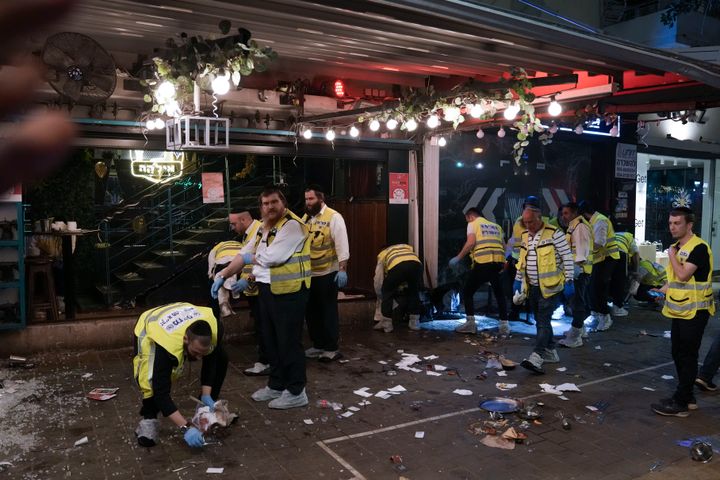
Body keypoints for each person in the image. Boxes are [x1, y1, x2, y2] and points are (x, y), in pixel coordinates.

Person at [212, 187, 311, 409]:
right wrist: (222, 275)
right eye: (265, 204)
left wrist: (249, 259)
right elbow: (244, 252)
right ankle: (276, 384)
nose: (269, 207)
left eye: (273, 202)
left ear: (283, 203)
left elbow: (273, 257)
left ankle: (296, 391)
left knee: (288, 342)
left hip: (290, 292)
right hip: (267, 290)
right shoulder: (264, 228)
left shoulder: (292, 226)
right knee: (271, 340)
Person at [133, 302, 227, 448]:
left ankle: (206, 410)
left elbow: (211, 361)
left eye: (202, 353)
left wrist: (206, 394)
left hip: (181, 315)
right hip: (151, 327)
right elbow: (160, 392)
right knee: (150, 379)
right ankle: (149, 419)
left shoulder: (216, 329)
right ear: (185, 339)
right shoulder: (165, 348)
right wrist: (185, 427)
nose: (199, 358)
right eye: (195, 352)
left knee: (222, 358)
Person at [650, 207, 714, 417]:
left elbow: (684, 275)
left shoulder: (699, 248)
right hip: (680, 310)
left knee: (687, 355)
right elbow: (675, 280)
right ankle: (688, 397)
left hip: (696, 311)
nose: (672, 227)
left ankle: (681, 401)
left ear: (689, 225)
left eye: (677, 223)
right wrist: (662, 290)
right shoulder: (677, 247)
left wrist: (671, 255)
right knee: (678, 353)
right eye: (670, 223)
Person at [514, 205, 574, 374]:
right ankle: (551, 352)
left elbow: (567, 257)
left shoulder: (554, 233)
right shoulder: (525, 235)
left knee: (542, 321)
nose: (528, 226)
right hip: (532, 287)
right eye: (525, 223)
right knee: (542, 321)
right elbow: (522, 259)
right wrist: (517, 280)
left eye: (531, 222)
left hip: (550, 287)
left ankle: (537, 356)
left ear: (539, 218)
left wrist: (569, 280)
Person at [302, 185, 350, 362]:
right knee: (311, 311)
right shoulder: (307, 218)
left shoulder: (334, 217)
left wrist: (342, 269)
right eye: (306, 199)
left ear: (321, 199)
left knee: (327, 311)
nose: (308, 202)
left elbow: (342, 244)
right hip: (309, 273)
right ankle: (318, 345)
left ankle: (331, 348)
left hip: (328, 273)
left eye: (311, 199)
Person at [449, 207, 508, 335]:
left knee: (468, 291)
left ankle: (470, 324)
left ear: (470, 217)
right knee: (499, 293)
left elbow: (471, 243)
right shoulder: (496, 226)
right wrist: (504, 263)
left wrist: (458, 258)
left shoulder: (473, 224)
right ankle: (504, 326)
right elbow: (505, 246)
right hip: (498, 263)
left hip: (483, 262)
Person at [505, 196, 559, 323]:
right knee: (526, 288)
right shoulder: (544, 220)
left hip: (525, 260)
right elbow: (514, 240)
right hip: (525, 259)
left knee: (525, 288)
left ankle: (520, 312)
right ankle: (526, 311)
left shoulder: (522, 220)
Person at [579, 201, 620, 331]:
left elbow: (599, 243)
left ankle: (605, 316)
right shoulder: (594, 221)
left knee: (598, 288)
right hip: (599, 259)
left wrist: (584, 250)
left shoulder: (600, 221)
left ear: (585, 214)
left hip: (607, 258)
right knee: (592, 288)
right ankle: (596, 313)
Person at [558, 202, 593, 348]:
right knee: (577, 302)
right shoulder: (574, 226)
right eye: (563, 213)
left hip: (579, 271)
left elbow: (581, 251)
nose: (563, 216)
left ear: (574, 213)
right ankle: (580, 328)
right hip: (576, 270)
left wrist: (574, 272)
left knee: (577, 303)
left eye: (566, 213)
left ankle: (576, 336)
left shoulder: (579, 227)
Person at [373, 244, 423, 333]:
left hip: (398, 266)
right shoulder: (405, 247)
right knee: (414, 292)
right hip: (417, 265)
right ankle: (414, 322)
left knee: (387, 292)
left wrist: (380, 292)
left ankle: (386, 324)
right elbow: (407, 269)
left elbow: (378, 278)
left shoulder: (383, 254)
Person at [609, 231, 639, 316]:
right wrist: (636, 270)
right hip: (620, 253)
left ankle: (602, 307)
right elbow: (636, 254)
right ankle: (617, 308)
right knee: (620, 280)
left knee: (607, 279)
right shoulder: (629, 236)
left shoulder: (614, 234)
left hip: (607, 252)